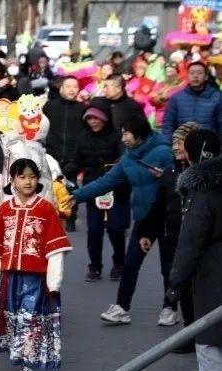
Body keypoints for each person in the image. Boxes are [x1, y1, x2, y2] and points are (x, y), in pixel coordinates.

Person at [68, 114, 173, 325]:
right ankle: (122, 308)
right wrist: (77, 196)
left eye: (126, 133)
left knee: (168, 265)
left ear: (139, 134)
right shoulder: (128, 158)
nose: (123, 138)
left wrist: (166, 177)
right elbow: (106, 182)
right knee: (131, 264)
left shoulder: (164, 152)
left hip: (167, 217)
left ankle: (170, 307)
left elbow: (179, 180)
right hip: (145, 219)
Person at [0, 158, 72, 371]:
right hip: (10, 279)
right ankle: (23, 363)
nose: (28, 181)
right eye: (22, 177)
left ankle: (27, 370)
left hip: (36, 279)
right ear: (11, 180)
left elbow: (56, 250)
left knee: (30, 321)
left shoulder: (45, 210)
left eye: (32, 176)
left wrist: (54, 282)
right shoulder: (4, 210)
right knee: (13, 321)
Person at [167, 128, 222, 371]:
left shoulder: (201, 191)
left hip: (213, 279)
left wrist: (176, 284)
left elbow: (190, 241)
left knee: (210, 346)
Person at [138, 122, 201, 340]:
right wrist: (146, 232)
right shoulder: (170, 172)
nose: (174, 147)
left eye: (180, 141)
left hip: (199, 241)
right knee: (182, 287)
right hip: (174, 238)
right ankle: (190, 335)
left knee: (198, 289)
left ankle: (201, 334)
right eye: (173, 141)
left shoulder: (204, 172)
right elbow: (158, 206)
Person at [68, 107, 129, 282]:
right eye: (89, 118)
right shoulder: (83, 137)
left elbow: (125, 161)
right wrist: (61, 174)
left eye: (97, 118)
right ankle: (95, 266)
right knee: (94, 231)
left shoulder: (118, 137)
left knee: (115, 229)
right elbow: (76, 162)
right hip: (92, 189)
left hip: (116, 188)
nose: (93, 122)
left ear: (105, 118)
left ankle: (119, 264)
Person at [43, 76, 85, 231]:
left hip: (73, 156)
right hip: (52, 154)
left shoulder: (83, 108)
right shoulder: (50, 106)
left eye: (75, 86)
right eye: (68, 86)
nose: (72, 89)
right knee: (49, 187)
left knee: (71, 188)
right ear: (61, 89)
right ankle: (49, 217)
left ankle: (70, 217)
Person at [161, 62, 222, 140]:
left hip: (208, 145)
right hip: (182, 146)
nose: (195, 76)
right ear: (187, 76)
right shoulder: (176, 98)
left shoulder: (217, 97)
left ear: (206, 77)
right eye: (192, 73)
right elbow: (168, 125)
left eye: (199, 73)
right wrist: (169, 144)